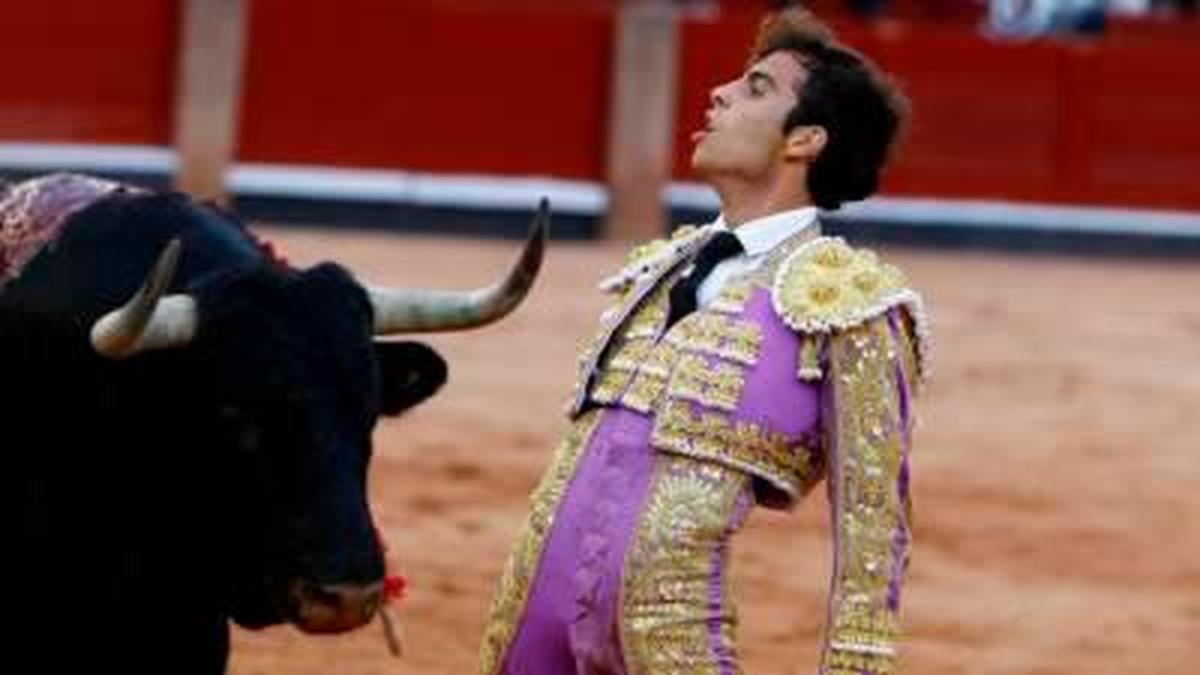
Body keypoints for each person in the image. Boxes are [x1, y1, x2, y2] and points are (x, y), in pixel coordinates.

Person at [480, 7, 928, 674]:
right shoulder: (657, 268)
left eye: (756, 88)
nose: (718, 94)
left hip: (670, 638)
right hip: (528, 623)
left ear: (804, 139)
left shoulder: (848, 305)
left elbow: (872, 520)